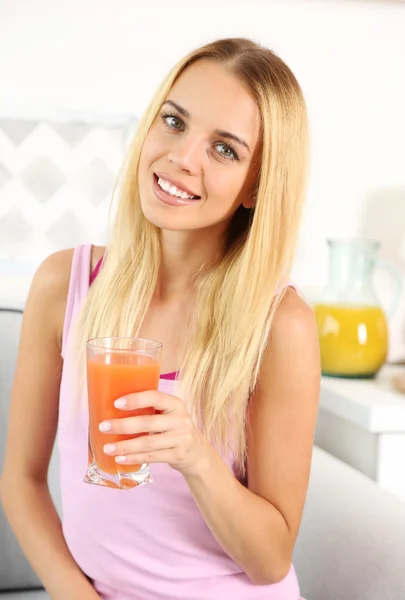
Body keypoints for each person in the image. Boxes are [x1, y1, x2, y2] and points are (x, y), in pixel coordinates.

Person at [1, 37, 320, 600]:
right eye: (174, 122)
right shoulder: (64, 285)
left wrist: (195, 456)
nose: (182, 156)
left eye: (225, 150)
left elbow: (270, 562)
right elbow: (21, 482)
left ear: (255, 187)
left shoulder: (280, 326)